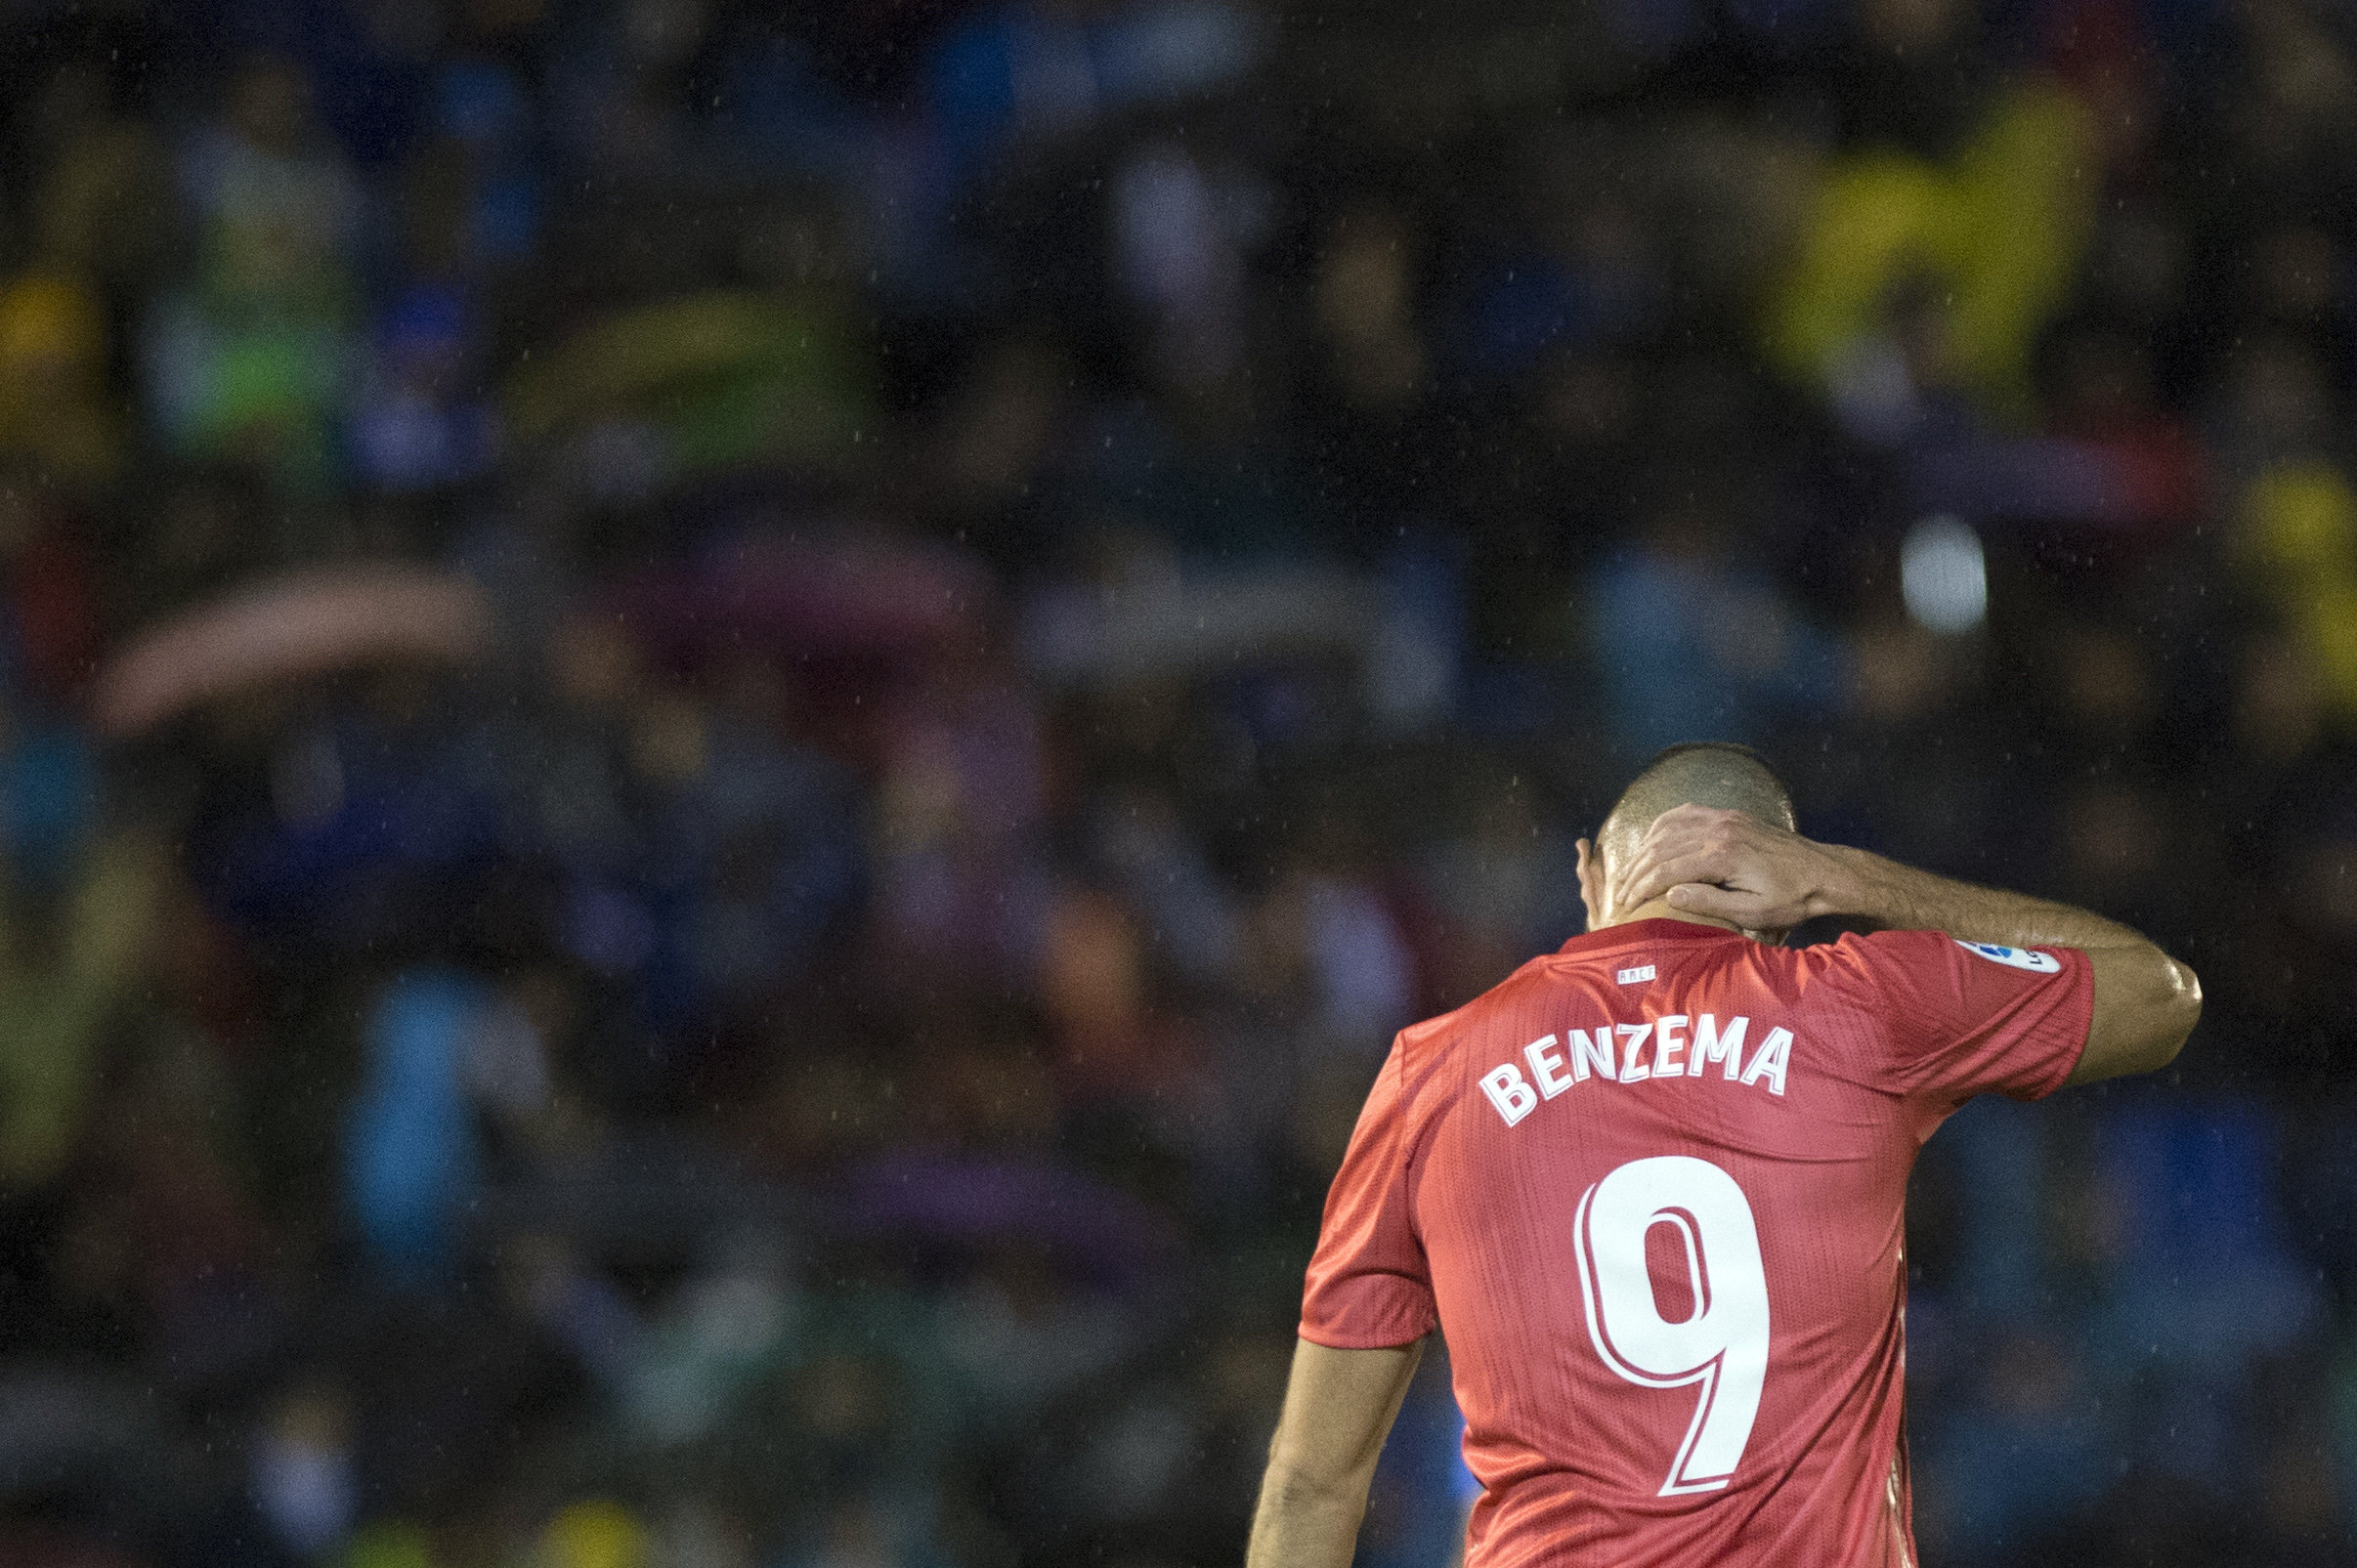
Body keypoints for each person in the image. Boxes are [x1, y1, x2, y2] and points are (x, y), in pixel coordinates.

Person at [1244, 742, 2199, 1568]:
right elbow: (2160, 997)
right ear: (1779, 892)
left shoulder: (1434, 1073)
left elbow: (1312, 1482)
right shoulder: (1862, 1004)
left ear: (1590, 875)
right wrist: (1850, 879)